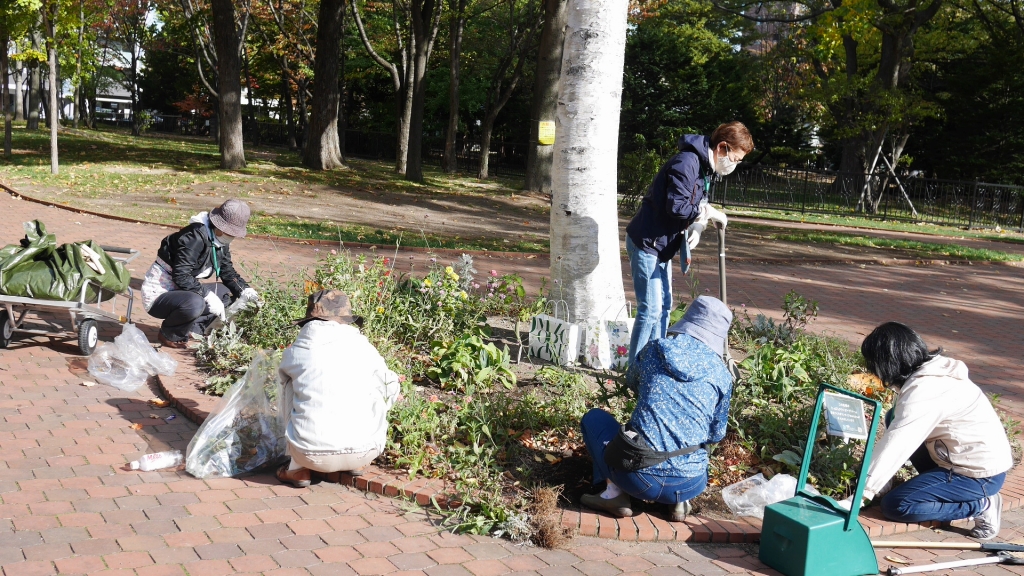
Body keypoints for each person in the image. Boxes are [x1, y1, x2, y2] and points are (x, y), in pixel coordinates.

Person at [849, 322, 1012, 539]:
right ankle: (939, 489)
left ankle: (980, 505)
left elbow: (898, 442)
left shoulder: (925, 391)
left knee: (897, 505)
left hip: (978, 476)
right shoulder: (934, 371)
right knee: (893, 416)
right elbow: (899, 430)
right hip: (967, 457)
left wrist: (861, 493)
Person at [579, 296, 734, 522]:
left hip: (638, 476)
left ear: (689, 321)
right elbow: (716, 434)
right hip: (691, 483)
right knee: (693, 442)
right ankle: (678, 503)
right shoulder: (722, 375)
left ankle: (615, 494)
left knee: (593, 419)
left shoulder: (656, 350)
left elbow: (632, 380)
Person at [624, 122, 753, 366]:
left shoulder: (703, 167)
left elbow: (696, 200)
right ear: (722, 148)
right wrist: (704, 212)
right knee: (649, 309)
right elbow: (677, 206)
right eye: (734, 159)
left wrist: (699, 224)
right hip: (647, 242)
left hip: (662, 245)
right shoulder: (687, 163)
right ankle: (635, 371)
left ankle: (654, 363)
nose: (733, 165)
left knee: (664, 307)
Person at [276, 290, 400, 488]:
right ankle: (355, 459)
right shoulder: (364, 347)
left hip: (310, 453)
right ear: (345, 319)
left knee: (288, 382)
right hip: (366, 450)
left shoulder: (298, 349)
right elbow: (391, 387)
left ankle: (297, 468)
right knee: (384, 382)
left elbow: (280, 379)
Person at [142, 199, 258, 348]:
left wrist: (245, 289)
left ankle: (193, 329)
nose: (232, 237)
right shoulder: (193, 236)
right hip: (160, 294)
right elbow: (181, 276)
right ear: (219, 226)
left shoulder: (219, 241)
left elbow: (227, 271)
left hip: (182, 291)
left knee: (227, 292)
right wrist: (207, 295)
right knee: (196, 302)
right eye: (230, 232)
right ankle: (169, 334)